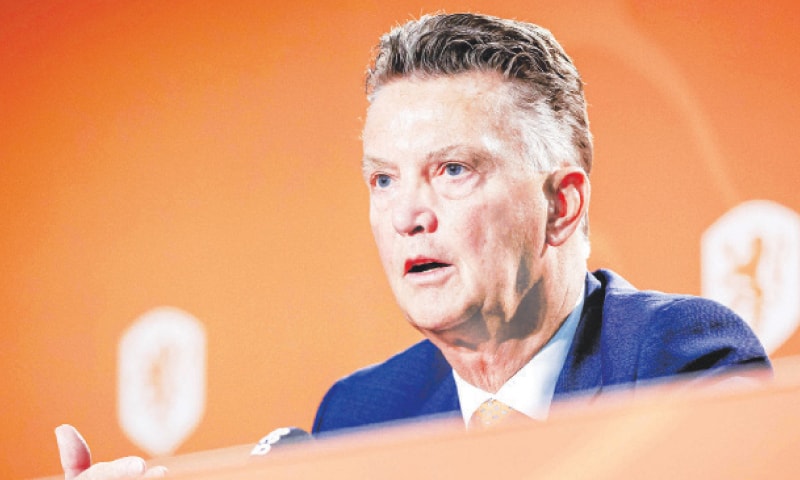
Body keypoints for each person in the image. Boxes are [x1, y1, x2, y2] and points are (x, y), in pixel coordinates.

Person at [55, 12, 770, 478]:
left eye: (452, 170)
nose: (407, 216)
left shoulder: (682, 358)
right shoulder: (362, 414)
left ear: (562, 204)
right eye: (384, 180)